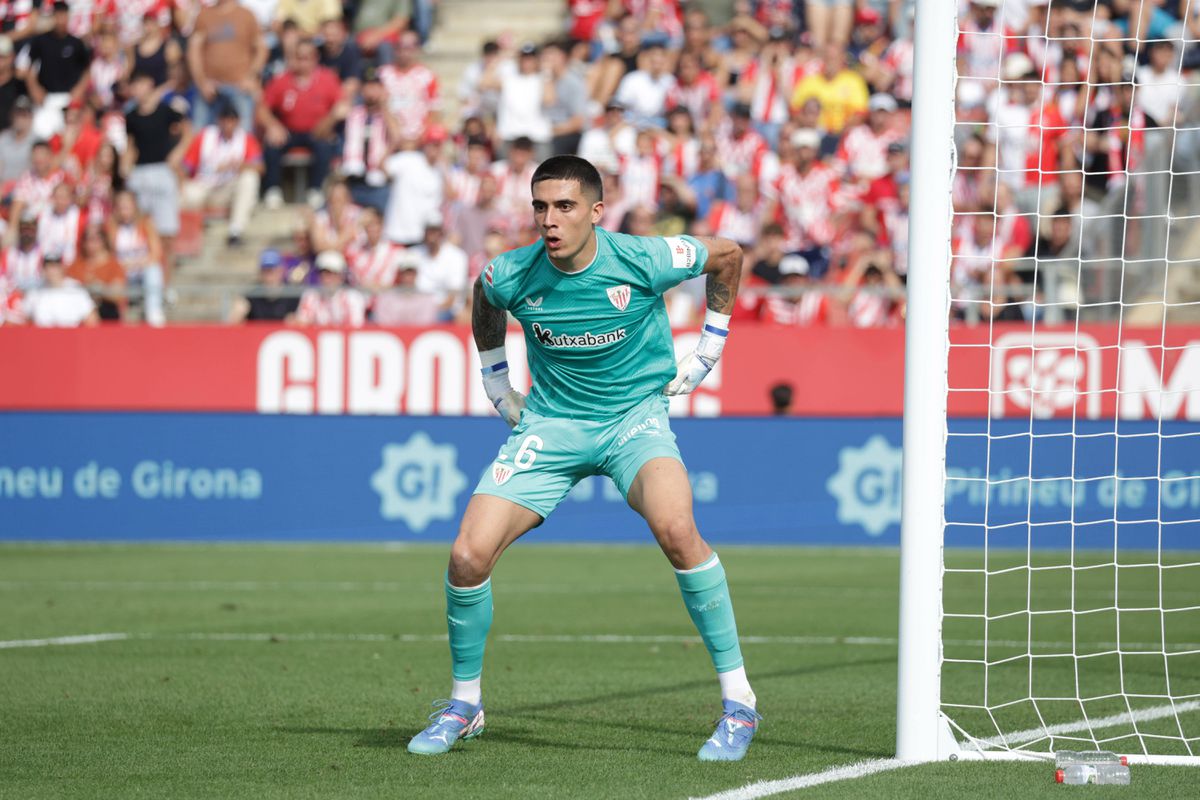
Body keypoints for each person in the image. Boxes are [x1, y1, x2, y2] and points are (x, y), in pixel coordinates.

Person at [405, 155, 759, 762]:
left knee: (678, 531)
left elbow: (727, 255)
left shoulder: (643, 259)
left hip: (633, 422)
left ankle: (740, 703)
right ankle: (465, 705)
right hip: (550, 428)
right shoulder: (512, 272)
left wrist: (710, 347)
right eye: (540, 206)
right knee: (467, 556)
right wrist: (496, 383)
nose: (549, 219)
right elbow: (484, 299)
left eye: (564, 206)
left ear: (596, 211)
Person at [259, 38, 342, 208]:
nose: (302, 62)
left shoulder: (328, 79)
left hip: (317, 131)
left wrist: (328, 122)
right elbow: (261, 109)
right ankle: (272, 189)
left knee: (325, 144)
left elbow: (342, 106)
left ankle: (315, 190)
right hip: (289, 130)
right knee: (272, 144)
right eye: (298, 57)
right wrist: (273, 125)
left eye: (306, 58)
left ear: (315, 58)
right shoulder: (281, 80)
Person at [180, 101, 264, 247]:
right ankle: (184, 237)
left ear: (238, 121)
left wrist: (238, 165)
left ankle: (236, 231)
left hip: (227, 190)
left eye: (231, 120)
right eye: (225, 119)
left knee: (250, 179)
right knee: (182, 193)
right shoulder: (205, 136)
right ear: (219, 120)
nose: (228, 124)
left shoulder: (245, 139)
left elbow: (260, 167)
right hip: (203, 187)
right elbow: (186, 167)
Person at [188, 0, 266, 130]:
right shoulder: (204, 15)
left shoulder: (247, 15)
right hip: (211, 88)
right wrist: (201, 82)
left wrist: (251, 76)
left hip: (240, 88)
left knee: (243, 136)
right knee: (200, 136)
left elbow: (261, 49)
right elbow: (194, 51)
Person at [20, 1, 91, 140]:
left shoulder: (76, 43)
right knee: (42, 134)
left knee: (71, 138)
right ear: (52, 17)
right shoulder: (40, 41)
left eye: (63, 16)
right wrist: (35, 90)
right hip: (46, 99)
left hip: (70, 99)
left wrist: (79, 91)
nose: (60, 20)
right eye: (57, 16)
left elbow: (87, 70)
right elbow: (29, 68)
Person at [294, 249, 366, 325]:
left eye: (333, 273)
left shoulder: (352, 297)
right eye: (324, 273)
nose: (328, 278)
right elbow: (302, 323)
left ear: (341, 276)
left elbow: (355, 328)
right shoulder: (311, 296)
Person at [68, 225, 126, 320]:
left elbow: (118, 294)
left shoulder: (113, 265)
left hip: (106, 311)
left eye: (95, 239)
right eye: (87, 239)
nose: (90, 243)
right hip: (80, 312)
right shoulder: (77, 265)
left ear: (103, 241)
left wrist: (99, 289)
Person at [20, 255, 97, 327]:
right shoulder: (35, 292)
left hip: (71, 336)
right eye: (48, 267)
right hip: (42, 336)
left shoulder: (76, 290)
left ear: (62, 268)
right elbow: (24, 318)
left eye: (55, 266)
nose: (52, 271)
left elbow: (92, 319)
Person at [228, 248, 300, 322]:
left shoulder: (292, 295)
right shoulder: (252, 296)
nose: (269, 277)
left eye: (272, 271)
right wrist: (238, 314)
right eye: (265, 271)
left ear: (281, 271)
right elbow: (233, 322)